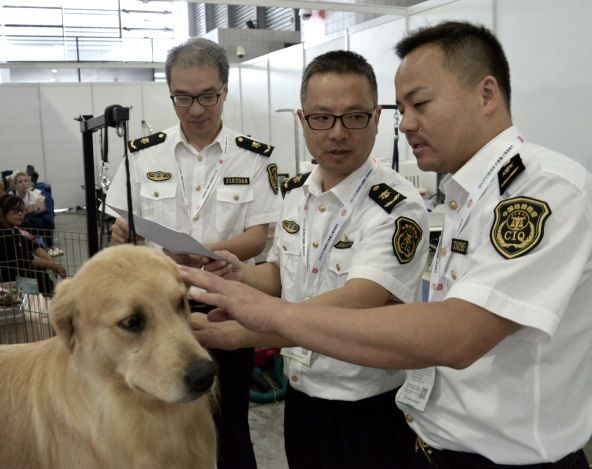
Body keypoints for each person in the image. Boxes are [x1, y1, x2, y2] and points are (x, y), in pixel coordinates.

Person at [179, 20, 592, 469]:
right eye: (404, 107)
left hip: (500, 457)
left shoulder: (541, 191)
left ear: (486, 94)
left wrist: (257, 325)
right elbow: (286, 274)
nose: (407, 123)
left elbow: (457, 334)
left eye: (420, 104)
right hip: (429, 439)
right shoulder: (464, 196)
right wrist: (242, 280)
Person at [193, 50, 429, 469]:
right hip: (303, 398)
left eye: (353, 117)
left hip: (368, 408)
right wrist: (240, 273)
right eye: (322, 118)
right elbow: (281, 276)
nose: (337, 133)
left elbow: (362, 300)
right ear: (302, 121)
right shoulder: (296, 192)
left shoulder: (396, 207)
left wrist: (243, 333)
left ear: (377, 118)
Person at [106, 38, 279, 469]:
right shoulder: (142, 155)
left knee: (229, 421)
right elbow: (122, 224)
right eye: (183, 98)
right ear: (170, 93)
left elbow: (259, 234)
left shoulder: (253, 158)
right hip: (158, 306)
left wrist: (207, 253)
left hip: (228, 301)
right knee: (158, 418)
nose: (196, 109)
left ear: (225, 88)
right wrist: (122, 231)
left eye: (207, 96)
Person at [0, 194, 66, 296]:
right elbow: (25, 259)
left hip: (10, 271)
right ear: (2, 212)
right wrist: (54, 265)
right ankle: (46, 298)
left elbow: (32, 246)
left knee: (39, 271)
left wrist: (52, 262)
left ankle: (47, 298)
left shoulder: (11, 228)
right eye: (15, 212)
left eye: (22, 211)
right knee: (36, 273)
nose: (20, 214)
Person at [11, 171, 62, 256]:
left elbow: (42, 207)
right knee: (38, 222)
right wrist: (28, 210)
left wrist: (32, 209)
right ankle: (43, 247)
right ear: (15, 185)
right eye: (20, 182)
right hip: (20, 218)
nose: (23, 184)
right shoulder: (12, 196)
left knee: (46, 219)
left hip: (32, 215)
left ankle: (51, 246)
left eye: (25, 181)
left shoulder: (33, 194)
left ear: (29, 183)